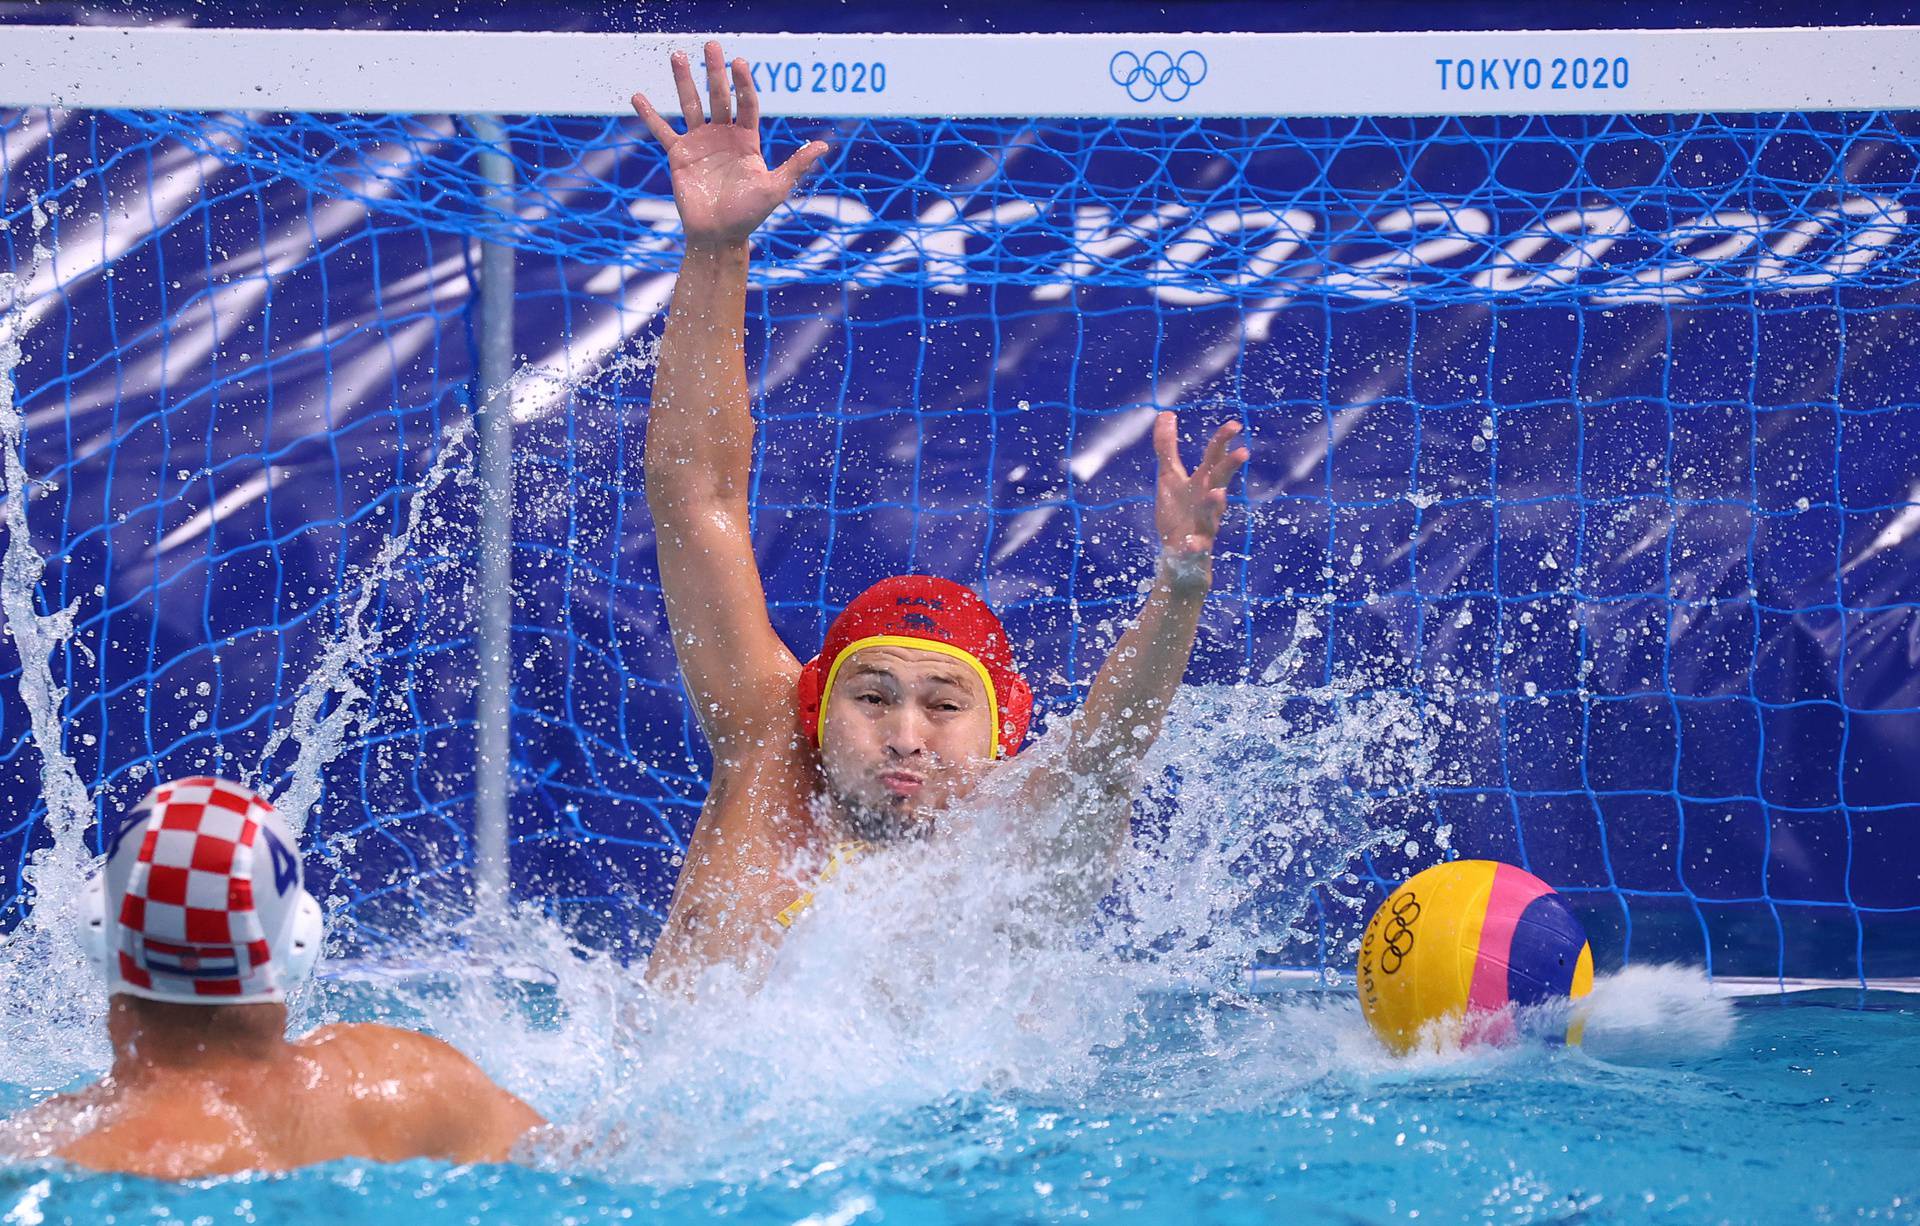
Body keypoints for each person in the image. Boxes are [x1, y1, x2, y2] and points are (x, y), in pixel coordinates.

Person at [633, 43, 1250, 989]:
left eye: (943, 705)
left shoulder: (1022, 832)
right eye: (871, 696)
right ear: (815, 708)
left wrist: (1176, 593)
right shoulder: (768, 752)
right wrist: (717, 252)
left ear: (1003, 732)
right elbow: (696, 495)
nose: (906, 735)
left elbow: (1110, 745)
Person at [0, 777, 543, 1178]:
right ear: (297, 942)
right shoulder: (417, 1082)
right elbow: (577, 1158)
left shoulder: (55, 1157)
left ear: (99, 935)